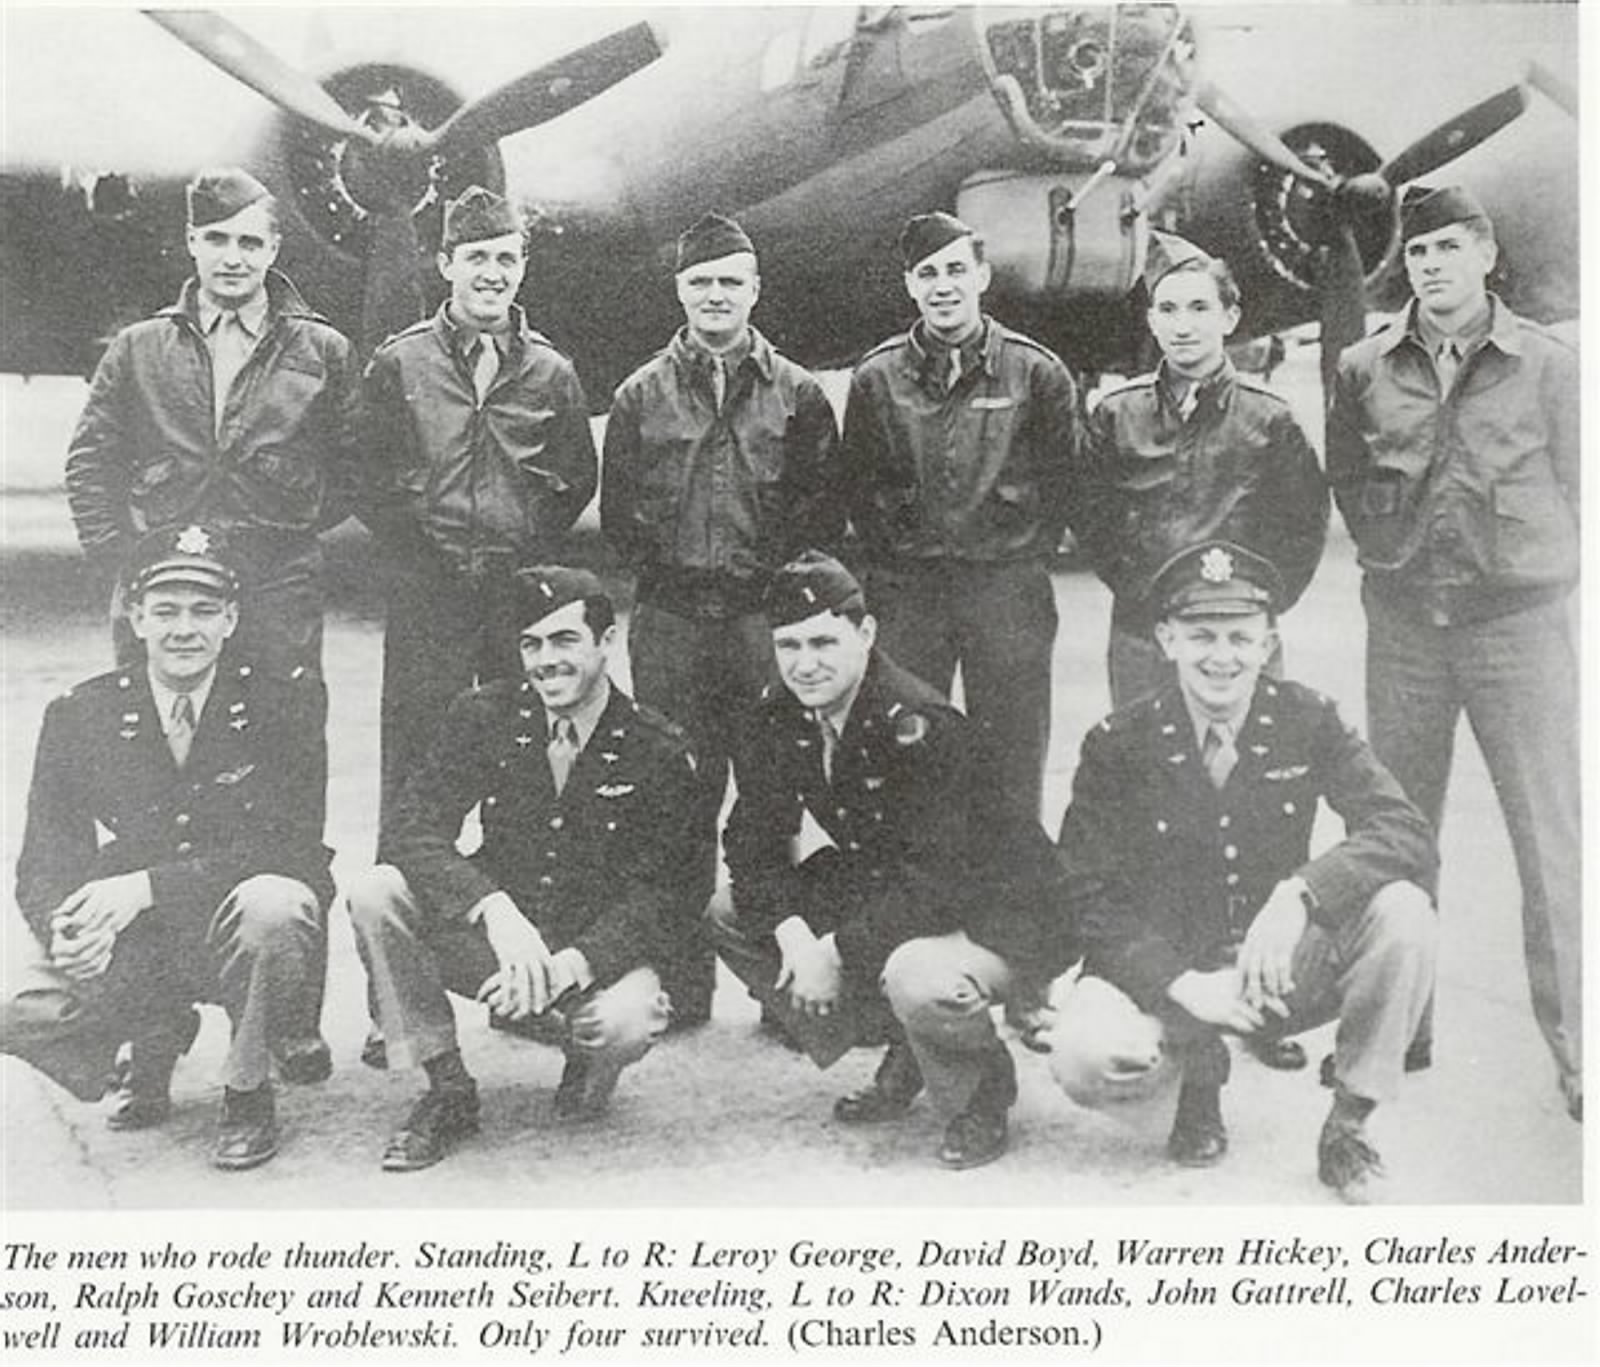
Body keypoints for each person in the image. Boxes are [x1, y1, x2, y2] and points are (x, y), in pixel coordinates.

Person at [1047, 542, 1438, 1202]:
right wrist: (1177, 983)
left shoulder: (1308, 718)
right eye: (1201, 635)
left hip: (1274, 968)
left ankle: (1348, 1125)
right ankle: (1193, 1079)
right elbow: (1085, 891)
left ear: (1268, 644)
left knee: (1403, 912)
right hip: (1168, 972)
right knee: (1083, 1056)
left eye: (1239, 637)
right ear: (1167, 640)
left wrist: (1302, 892)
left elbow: (1404, 829)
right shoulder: (1119, 742)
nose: (1221, 656)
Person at [1326, 186, 1581, 1121]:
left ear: (1485, 254)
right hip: (1405, 630)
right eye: (1417, 252)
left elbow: (1581, 485)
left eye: (1447, 248)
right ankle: (1399, 1029)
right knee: (1397, 830)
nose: (1430, 265)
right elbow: (1349, 478)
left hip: (1517, 628)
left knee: (1549, 840)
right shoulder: (1364, 365)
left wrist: (1532, 566)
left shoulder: (1548, 364)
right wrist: (1394, 557)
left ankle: (1579, 1047)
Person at [715, 552, 1069, 1170]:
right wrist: (795, 937)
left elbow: (940, 882)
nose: (805, 664)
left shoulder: (918, 722)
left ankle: (982, 1092)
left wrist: (834, 952)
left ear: (867, 633)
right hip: (895, 885)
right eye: (788, 645)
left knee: (917, 978)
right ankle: (911, 1045)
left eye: (823, 642)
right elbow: (752, 842)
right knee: (727, 910)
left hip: (1003, 911)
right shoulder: (781, 713)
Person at [2, 525, 334, 1170]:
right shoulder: (81, 713)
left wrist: (148, 887)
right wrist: (66, 930)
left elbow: (294, 849)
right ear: (136, 617)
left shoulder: (283, 703)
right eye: (166, 611)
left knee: (276, 906)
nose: (185, 630)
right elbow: (46, 859)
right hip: (140, 938)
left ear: (231, 619)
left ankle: (247, 1091)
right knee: (19, 1012)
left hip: (235, 921)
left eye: (204, 611)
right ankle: (154, 1034)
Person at [346, 567, 698, 1171]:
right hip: (500, 939)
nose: (546, 662)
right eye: (531, 644)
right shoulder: (485, 714)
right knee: (377, 893)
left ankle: (582, 1054)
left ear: (606, 642)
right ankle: (447, 1087)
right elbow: (412, 829)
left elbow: (668, 894)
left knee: (625, 1022)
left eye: (565, 641)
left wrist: (572, 965)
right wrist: (492, 910)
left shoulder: (655, 746)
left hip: (590, 951)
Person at [601, 211, 844, 1026]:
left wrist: (766, 592)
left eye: (730, 281)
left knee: (770, 801)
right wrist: (676, 575)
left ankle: (778, 987)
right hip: (672, 623)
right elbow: (621, 516)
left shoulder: (799, 394)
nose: (716, 295)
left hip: (759, 626)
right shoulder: (639, 394)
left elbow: (819, 515)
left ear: (755, 289)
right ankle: (683, 983)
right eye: (701, 281)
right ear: (679, 290)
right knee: (676, 801)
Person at [361, 185, 598, 823]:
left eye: (506, 259)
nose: (492, 274)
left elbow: (575, 477)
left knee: (520, 750)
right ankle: (406, 878)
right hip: (427, 593)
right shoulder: (401, 361)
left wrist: (523, 542)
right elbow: (368, 472)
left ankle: (514, 876)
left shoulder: (552, 372)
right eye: (476, 258)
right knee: (415, 752)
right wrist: (420, 547)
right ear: (445, 265)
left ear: (522, 267)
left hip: (511, 595)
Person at [65, 166, 361, 676]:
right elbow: (90, 463)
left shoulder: (323, 350)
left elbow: (356, 466)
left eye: (250, 242)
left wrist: (289, 523)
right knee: (159, 719)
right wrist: (123, 558)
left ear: (273, 248)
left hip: (277, 582)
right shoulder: (138, 348)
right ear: (191, 242)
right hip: (162, 576)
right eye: (217, 239)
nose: (232, 258)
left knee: (281, 714)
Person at [840, 211, 1082, 832]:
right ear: (909, 286)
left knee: (1013, 753)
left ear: (982, 276)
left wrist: (1013, 552)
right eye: (927, 274)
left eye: (955, 270)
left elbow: (1065, 485)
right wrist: (902, 558)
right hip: (910, 592)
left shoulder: (1037, 372)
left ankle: (1012, 879)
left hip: (1005, 590)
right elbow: (860, 489)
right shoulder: (876, 379)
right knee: (906, 751)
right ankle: (915, 880)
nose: (943, 286)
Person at [1074, 230, 1327, 709]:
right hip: (1143, 634)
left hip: (1239, 631)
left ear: (1230, 317)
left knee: (1247, 751)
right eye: (1168, 310)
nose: (1183, 326)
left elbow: (1304, 527)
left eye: (1199, 308)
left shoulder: (1271, 419)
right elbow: (1091, 517)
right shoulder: (1116, 414)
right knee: (1143, 752)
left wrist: (1254, 601)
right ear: (1151, 320)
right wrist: (1138, 587)